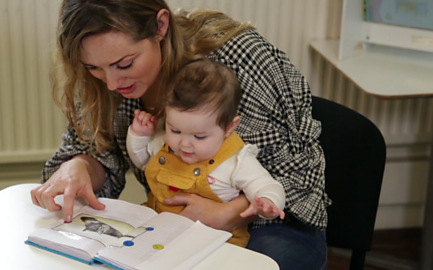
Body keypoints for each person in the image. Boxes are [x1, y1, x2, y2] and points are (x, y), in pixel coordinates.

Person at [30, 0, 330, 269]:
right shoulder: (103, 78)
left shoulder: (239, 56)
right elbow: (98, 153)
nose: (110, 83)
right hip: (176, 224)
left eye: (125, 64)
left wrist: (229, 214)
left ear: (161, 26)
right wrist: (78, 166)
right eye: (93, 68)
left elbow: (300, 173)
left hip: (271, 226)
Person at [126, 59, 286, 247]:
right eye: (175, 130)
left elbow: (267, 185)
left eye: (199, 137)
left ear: (229, 127)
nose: (184, 143)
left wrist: (267, 202)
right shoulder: (164, 145)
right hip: (161, 232)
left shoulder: (237, 160)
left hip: (215, 243)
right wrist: (138, 135)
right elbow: (142, 161)